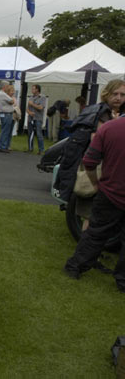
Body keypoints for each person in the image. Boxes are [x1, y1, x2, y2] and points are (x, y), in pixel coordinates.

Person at [63, 113, 125, 293]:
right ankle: (122, 280)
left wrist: (96, 183)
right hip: (111, 192)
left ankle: (75, 266)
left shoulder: (108, 128)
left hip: (109, 192)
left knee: (96, 233)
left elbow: (89, 162)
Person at [26, 84, 46, 154]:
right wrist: (29, 112)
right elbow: (27, 108)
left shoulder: (42, 97)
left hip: (38, 118)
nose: (32, 90)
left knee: (39, 134)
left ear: (37, 89)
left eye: (33, 89)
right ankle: (30, 148)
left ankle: (41, 150)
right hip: (30, 118)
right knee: (30, 133)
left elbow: (41, 108)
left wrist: (32, 104)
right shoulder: (31, 97)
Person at [0, 81, 15, 153]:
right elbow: (12, 101)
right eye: (7, 86)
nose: (8, 88)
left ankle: (0, 146)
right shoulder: (3, 94)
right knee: (6, 131)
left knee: (4, 130)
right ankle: (3, 146)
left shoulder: (0, 93)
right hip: (6, 114)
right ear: (4, 87)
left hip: (3, 113)